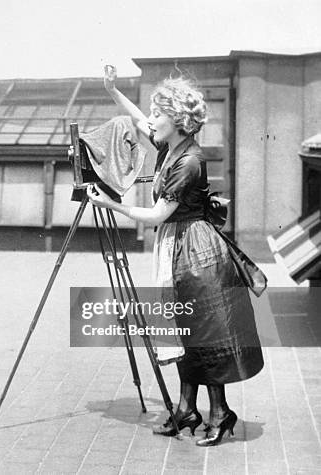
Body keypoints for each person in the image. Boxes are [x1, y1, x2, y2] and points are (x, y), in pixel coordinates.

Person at [87, 67, 264, 447]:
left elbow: (156, 216)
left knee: (199, 332)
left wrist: (111, 205)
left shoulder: (188, 162)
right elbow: (140, 120)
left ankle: (218, 413)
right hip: (177, 246)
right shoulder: (174, 146)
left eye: (158, 113)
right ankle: (188, 409)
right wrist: (113, 90)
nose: (150, 120)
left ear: (178, 120)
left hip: (194, 250)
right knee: (185, 331)